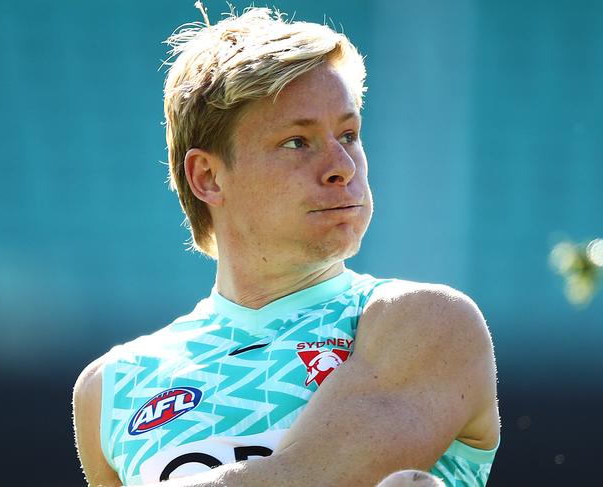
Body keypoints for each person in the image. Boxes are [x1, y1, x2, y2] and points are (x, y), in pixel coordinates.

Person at [73, 6, 500, 487]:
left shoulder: (426, 321)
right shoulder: (112, 388)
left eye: (349, 134)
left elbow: (304, 478)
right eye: (297, 142)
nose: (342, 166)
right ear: (208, 177)